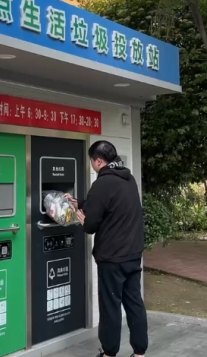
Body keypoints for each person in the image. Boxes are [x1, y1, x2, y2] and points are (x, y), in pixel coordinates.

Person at [65, 140, 148, 357]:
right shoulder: (128, 179)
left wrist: (83, 219)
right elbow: (110, 205)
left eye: (92, 161)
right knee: (134, 302)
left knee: (111, 305)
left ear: (99, 161)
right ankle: (140, 352)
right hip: (133, 253)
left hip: (112, 258)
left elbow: (91, 225)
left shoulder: (102, 183)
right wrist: (79, 202)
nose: (92, 166)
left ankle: (110, 352)